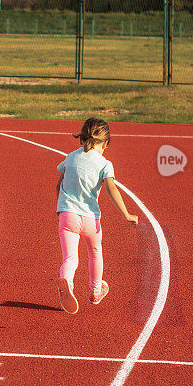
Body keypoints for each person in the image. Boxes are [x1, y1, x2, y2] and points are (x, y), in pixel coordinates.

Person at [56, 117, 139, 314]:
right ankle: (95, 290)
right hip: (91, 220)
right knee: (95, 252)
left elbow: (58, 184)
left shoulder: (70, 158)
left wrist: (60, 207)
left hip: (67, 216)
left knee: (70, 259)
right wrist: (126, 214)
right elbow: (112, 189)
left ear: (81, 139)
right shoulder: (104, 163)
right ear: (106, 143)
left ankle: (67, 280)